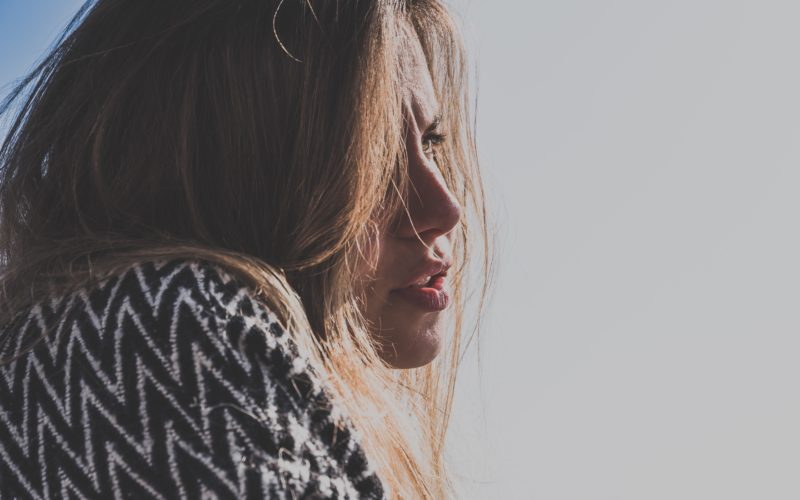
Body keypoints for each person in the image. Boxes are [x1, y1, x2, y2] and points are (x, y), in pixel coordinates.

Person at [0, 0, 489, 498]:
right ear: (230, 170)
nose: (445, 208)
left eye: (431, 143)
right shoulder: (156, 332)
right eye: (370, 156)